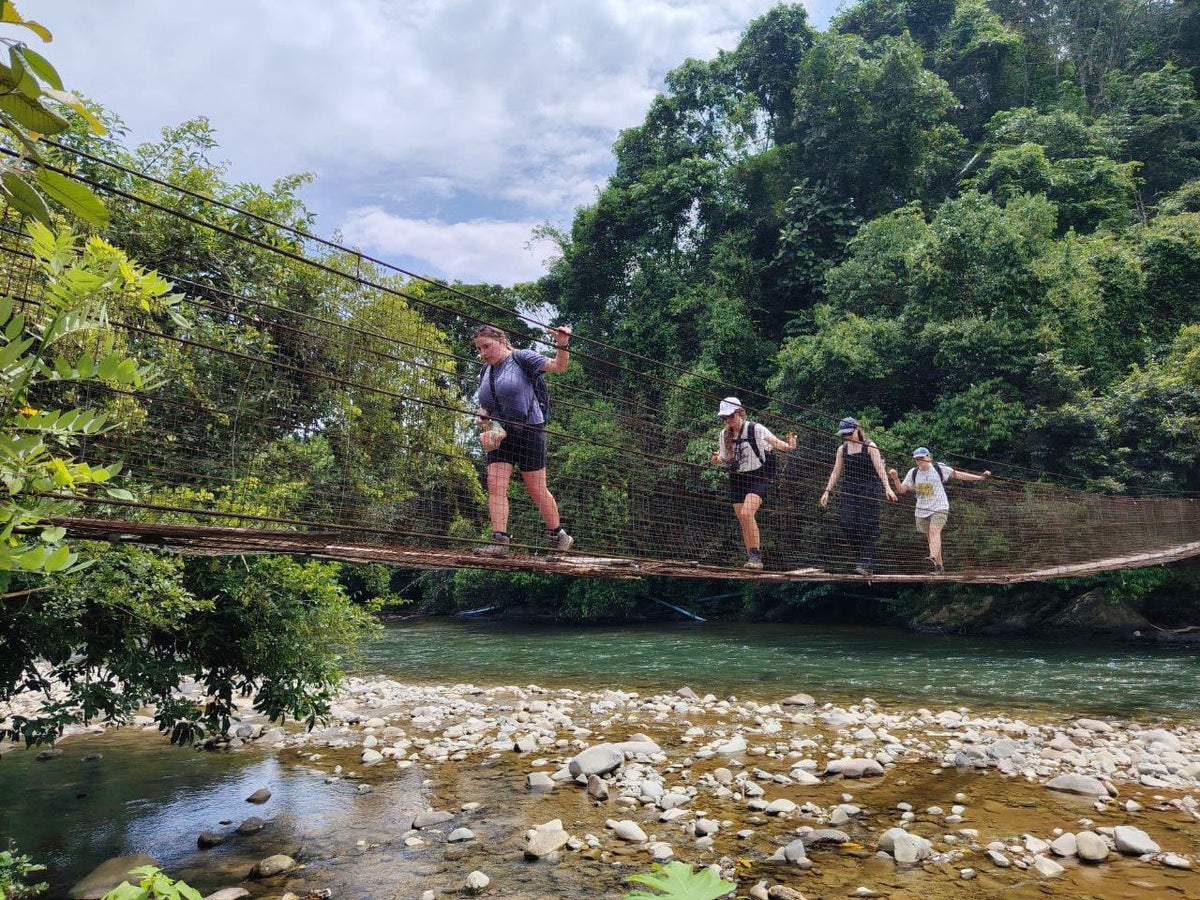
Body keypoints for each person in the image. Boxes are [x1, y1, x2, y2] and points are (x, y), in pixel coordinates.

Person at [471, 322, 573, 557]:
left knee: (536, 489)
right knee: (495, 485)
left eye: (487, 346)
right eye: (479, 349)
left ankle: (559, 535)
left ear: (502, 341)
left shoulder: (522, 358)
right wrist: (484, 419)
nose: (483, 353)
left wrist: (562, 344)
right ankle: (500, 542)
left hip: (530, 431)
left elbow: (559, 366)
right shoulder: (484, 372)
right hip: (501, 434)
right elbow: (486, 406)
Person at [711, 397, 797, 570]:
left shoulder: (755, 429)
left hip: (760, 474)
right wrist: (717, 459)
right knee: (743, 519)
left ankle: (756, 557)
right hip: (737, 477)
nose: (728, 420)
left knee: (746, 513)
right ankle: (752, 557)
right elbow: (726, 458)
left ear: (740, 412)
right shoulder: (724, 435)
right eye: (724, 418)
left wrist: (789, 446)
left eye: (731, 415)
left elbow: (777, 443)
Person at [888, 447, 991, 573]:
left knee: (934, 531)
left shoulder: (939, 468)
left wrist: (979, 478)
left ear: (928, 457)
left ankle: (932, 555)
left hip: (940, 506)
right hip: (921, 510)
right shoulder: (913, 473)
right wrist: (895, 478)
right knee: (931, 537)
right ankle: (939, 566)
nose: (920, 461)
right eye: (917, 459)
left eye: (922, 458)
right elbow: (901, 490)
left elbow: (958, 474)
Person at [819, 417, 897, 576]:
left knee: (868, 525)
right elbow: (836, 472)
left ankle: (865, 562)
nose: (847, 436)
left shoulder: (870, 446)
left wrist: (888, 488)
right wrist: (827, 491)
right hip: (849, 489)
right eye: (844, 434)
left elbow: (880, 469)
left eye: (849, 433)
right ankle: (862, 559)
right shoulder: (842, 449)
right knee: (847, 523)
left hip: (869, 489)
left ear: (857, 429)